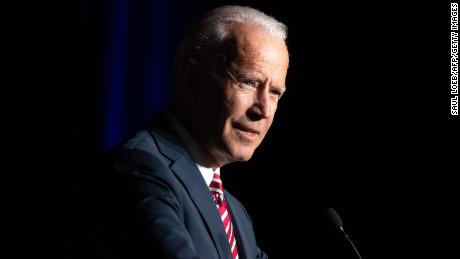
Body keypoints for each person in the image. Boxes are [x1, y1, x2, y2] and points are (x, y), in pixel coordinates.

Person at [98, 5, 289, 259]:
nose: (264, 110)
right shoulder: (141, 168)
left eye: (275, 92)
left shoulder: (235, 213)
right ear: (191, 78)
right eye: (247, 82)